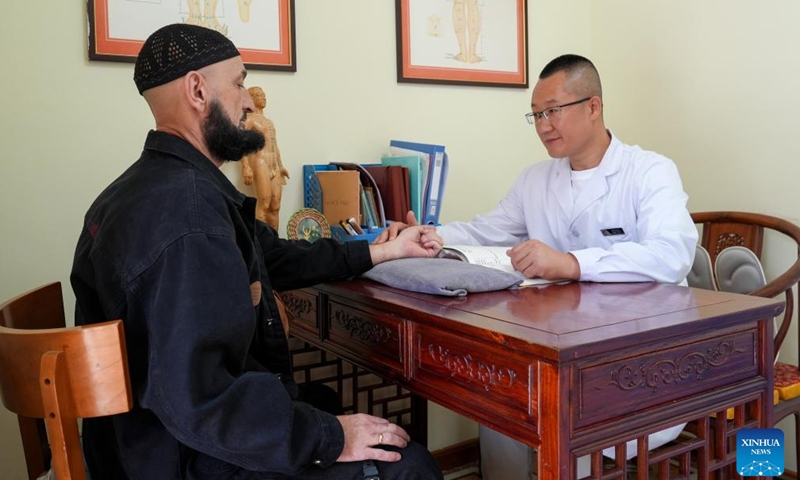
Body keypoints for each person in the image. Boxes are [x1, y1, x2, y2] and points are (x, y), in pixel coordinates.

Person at [71, 23, 443, 480]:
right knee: (408, 465)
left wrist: (380, 252)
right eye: (240, 82)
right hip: (178, 456)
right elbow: (200, 398)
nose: (248, 100)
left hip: (146, 441)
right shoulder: (189, 215)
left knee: (323, 399)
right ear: (197, 89)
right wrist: (330, 438)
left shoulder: (141, 191)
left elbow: (276, 256)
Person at [376, 54, 698, 479]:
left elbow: (673, 252)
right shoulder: (535, 179)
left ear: (593, 106)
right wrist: (431, 236)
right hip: (561, 344)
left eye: (553, 111)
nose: (544, 125)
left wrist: (569, 263)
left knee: (568, 422)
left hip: (640, 353)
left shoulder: (649, 171)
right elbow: (485, 230)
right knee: (497, 394)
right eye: (536, 115)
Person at [241, 86, 289, 230]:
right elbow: (241, 142)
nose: (264, 97)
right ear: (251, 98)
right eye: (259, 95)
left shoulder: (269, 122)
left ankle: (275, 243)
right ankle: (261, 245)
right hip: (259, 162)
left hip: (274, 164)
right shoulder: (248, 119)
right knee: (264, 204)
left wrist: (281, 166)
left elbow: (275, 144)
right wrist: (245, 166)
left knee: (275, 206)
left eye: (264, 95)